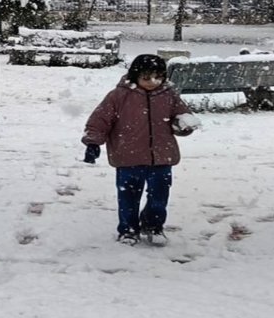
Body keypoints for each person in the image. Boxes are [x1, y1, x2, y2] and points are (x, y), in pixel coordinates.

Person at [82, 54, 199, 245]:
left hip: (161, 156)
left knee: (159, 196)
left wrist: (184, 124)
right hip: (128, 157)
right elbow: (99, 120)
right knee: (128, 196)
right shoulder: (118, 96)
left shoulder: (169, 95)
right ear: (135, 76)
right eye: (146, 78)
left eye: (158, 77)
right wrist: (93, 143)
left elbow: (181, 115)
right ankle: (128, 229)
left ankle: (153, 225)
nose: (153, 82)